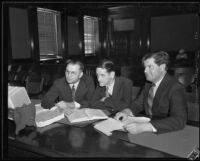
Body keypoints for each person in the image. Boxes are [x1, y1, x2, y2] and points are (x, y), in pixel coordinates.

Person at [115, 51, 187, 134]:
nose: (145, 71)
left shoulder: (175, 87)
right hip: (149, 131)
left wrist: (145, 127)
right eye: (145, 67)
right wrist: (126, 112)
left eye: (150, 67)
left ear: (162, 67)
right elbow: (138, 104)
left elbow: (179, 120)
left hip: (166, 133)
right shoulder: (149, 84)